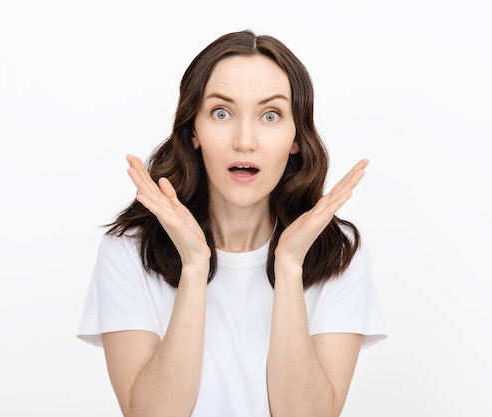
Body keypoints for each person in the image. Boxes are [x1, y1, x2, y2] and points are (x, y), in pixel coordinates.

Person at [77, 29, 386, 417]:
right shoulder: (128, 250)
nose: (244, 141)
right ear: (193, 131)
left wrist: (289, 266)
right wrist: (193, 265)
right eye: (221, 113)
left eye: (270, 115)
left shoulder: (338, 253)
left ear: (296, 136)